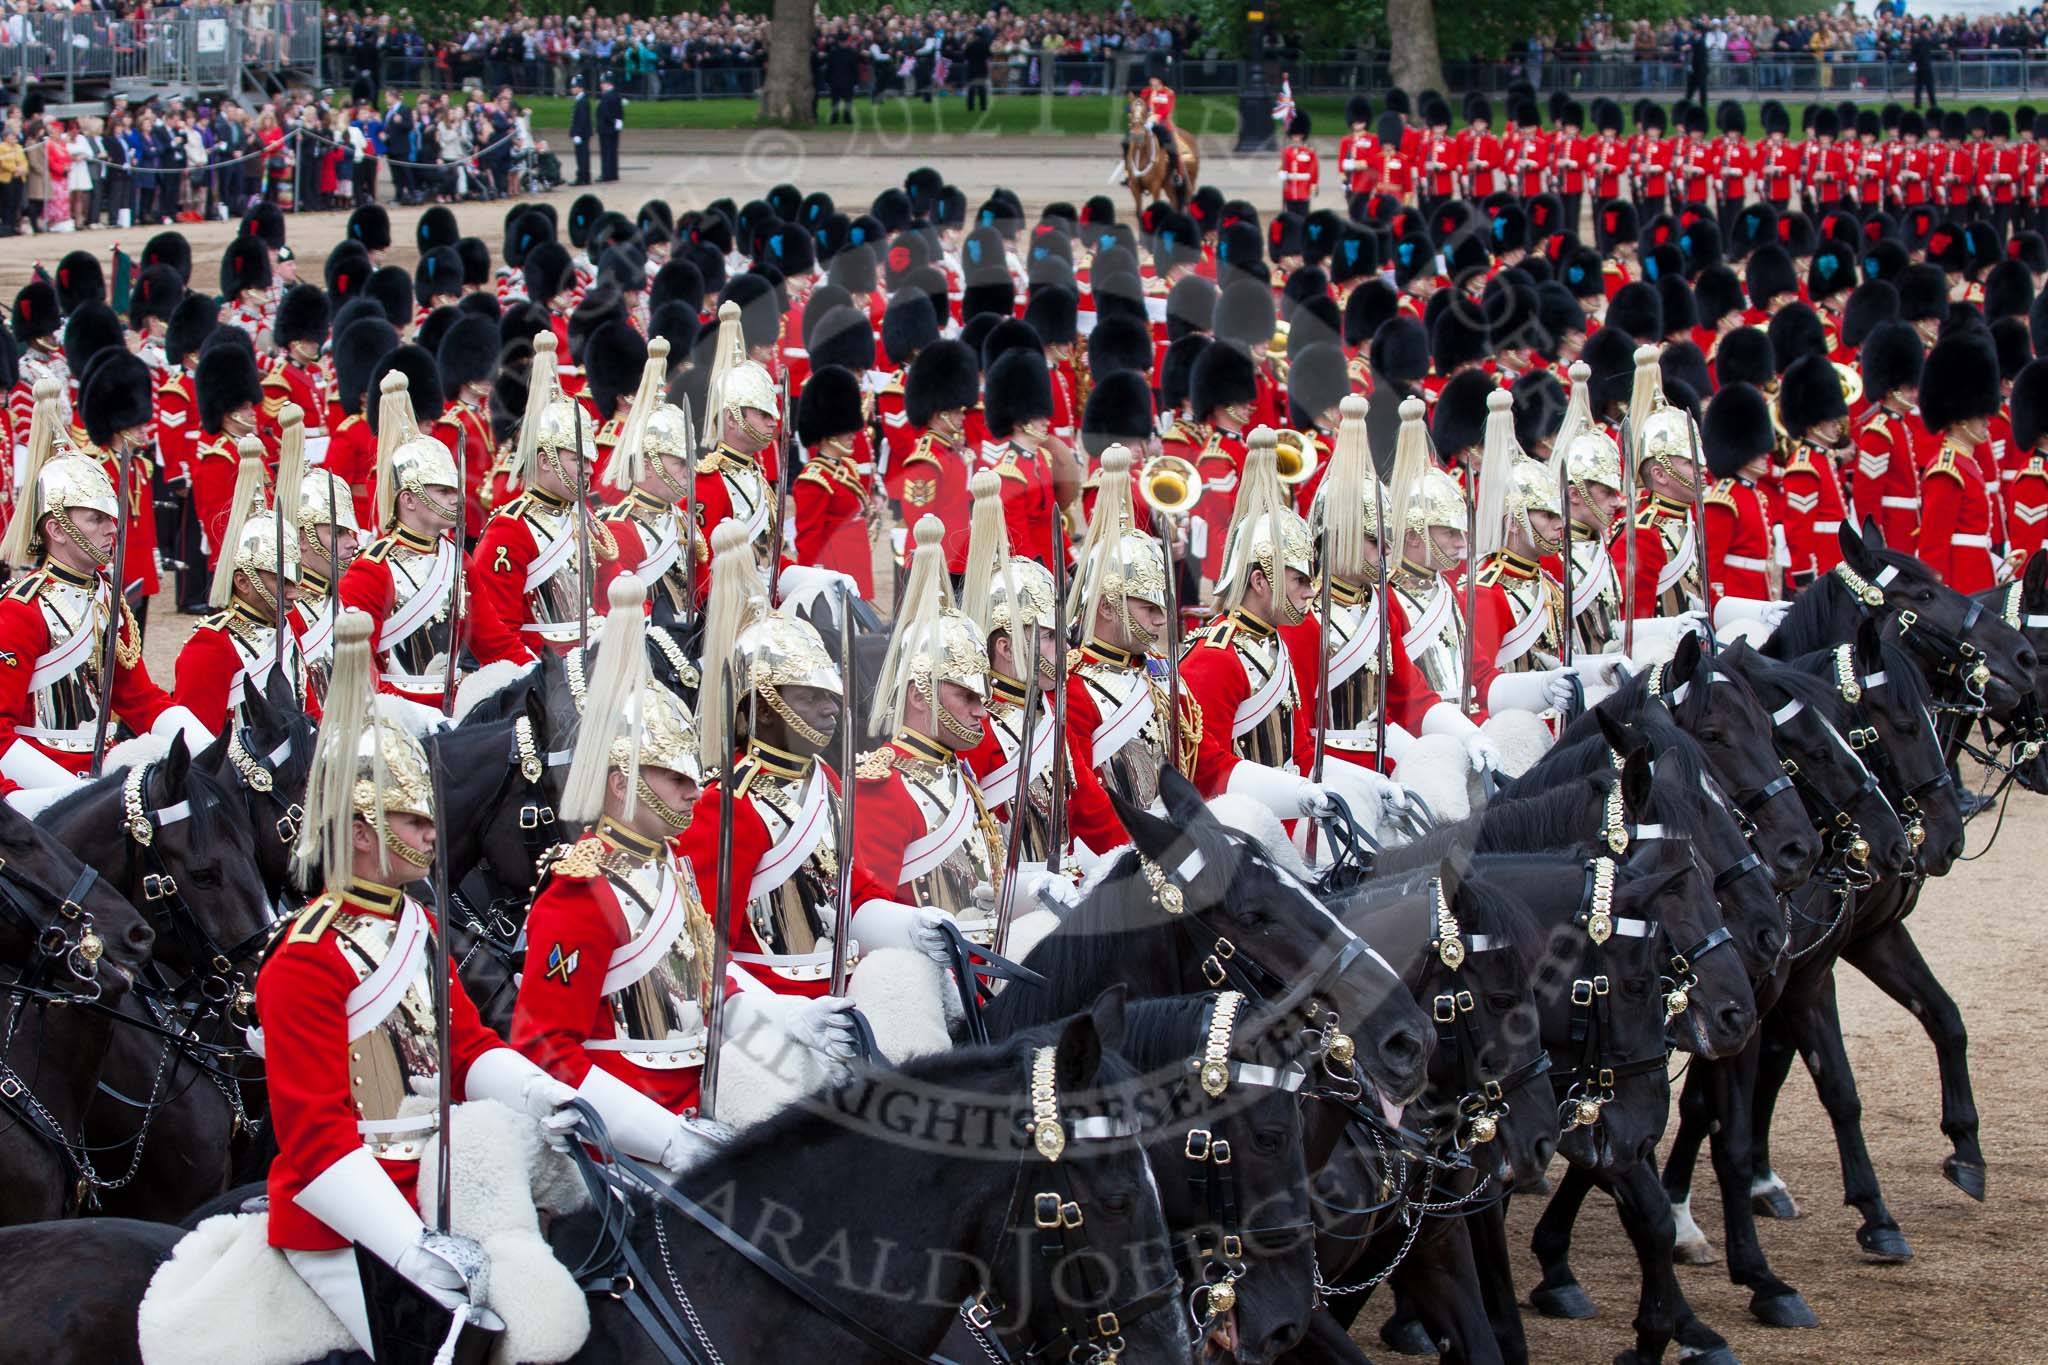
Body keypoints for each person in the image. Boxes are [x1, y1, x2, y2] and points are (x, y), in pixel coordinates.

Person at [255, 608, 579, 1360]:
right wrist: (411, 1245)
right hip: (344, 1213)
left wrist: (546, 1096)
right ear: (362, 829)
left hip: (434, 1174)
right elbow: (315, 1142)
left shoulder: (417, 926)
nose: (434, 834)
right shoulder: (305, 956)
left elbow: (467, 1049)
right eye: (414, 819)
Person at [596, 70, 624, 184]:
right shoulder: (616, 95)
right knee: (612, 151)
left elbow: (606, 113)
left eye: (603, 83)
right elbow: (619, 112)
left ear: (608, 83)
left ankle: (606, 174)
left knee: (606, 152)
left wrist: (611, 122)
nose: (601, 85)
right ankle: (613, 173)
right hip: (613, 128)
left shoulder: (606, 96)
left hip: (606, 128)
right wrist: (618, 123)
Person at [568, 74, 592, 186]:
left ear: (580, 88)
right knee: (583, 155)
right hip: (583, 133)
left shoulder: (582, 101)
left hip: (581, 134)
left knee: (581, 156)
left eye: (574, 86)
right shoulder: (581, 99)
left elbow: (581, 119)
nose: (572, 88)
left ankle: (582, 177)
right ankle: (585, 177)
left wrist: (577, 133)